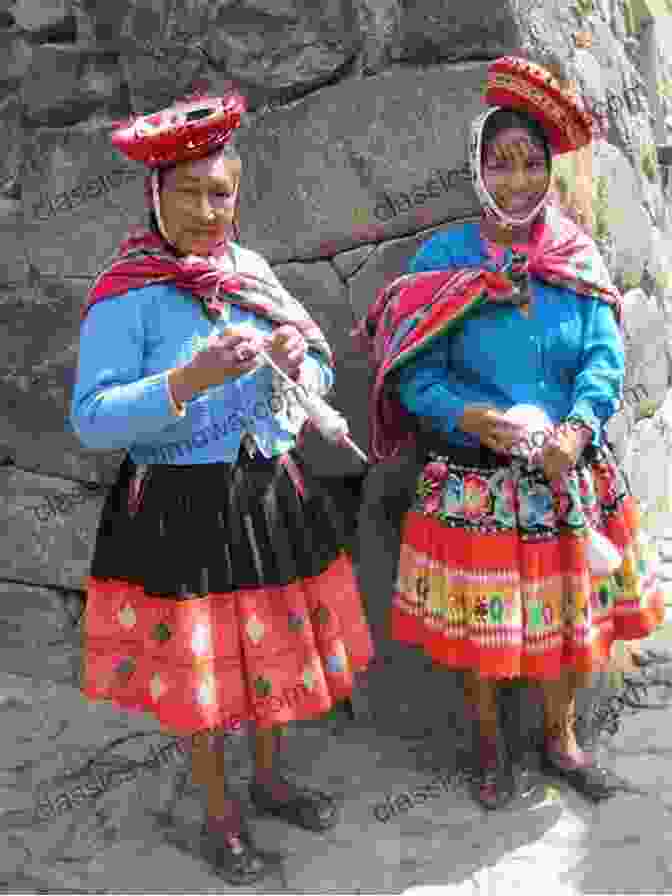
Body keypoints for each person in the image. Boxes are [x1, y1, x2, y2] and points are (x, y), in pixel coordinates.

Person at [71, 88, 373, 883]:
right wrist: (189, 379)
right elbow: (93, 419)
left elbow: (313, 361)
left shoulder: (253, 271)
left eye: (222, 194)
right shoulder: (127, 293)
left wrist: (295, 354)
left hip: (267, 492)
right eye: (190, 194)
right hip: (182, 505)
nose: (210, 211)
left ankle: (269, 782)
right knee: (203, 677)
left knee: (270, 655)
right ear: (154, 196)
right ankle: (218, 816)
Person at [353, 56, 664, 809]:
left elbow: (602, 352)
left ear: (551, 171)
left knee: (570, 614)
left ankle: (561, 740)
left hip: (565, 468)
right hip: (474, 476)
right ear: (476, 170)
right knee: (481, 621)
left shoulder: (574, 255)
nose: (518, 181)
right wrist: (470, 418)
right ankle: (488, 745)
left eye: (532, 164)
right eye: (502, 164)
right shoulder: (445, 260)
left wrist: (581, 425)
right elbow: (413, 368)